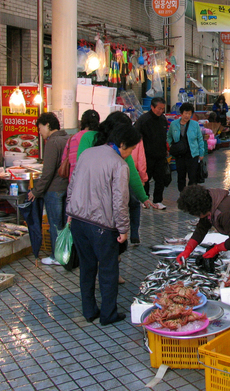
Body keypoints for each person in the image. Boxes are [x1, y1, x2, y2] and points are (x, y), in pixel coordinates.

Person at [67, 124, 140, 326]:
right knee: (108, 271)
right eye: (131, 149)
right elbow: (120, 201)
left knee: (87, 268)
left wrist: (69, 213)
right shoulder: (119, 165)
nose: (130, 153)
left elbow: (72, 184)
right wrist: (124, 229)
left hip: (79, 221)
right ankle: (108, 314)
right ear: (122, 144)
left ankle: (89, 310)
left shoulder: (87, 154)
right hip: (102, 226)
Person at [79, 111, 155, 245]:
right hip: (92, 203)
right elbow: (79, 171)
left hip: (94, 207)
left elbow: (131, 171)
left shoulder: (121, 145)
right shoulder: (91, 138)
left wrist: (143, 197)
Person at [28, 113, 70, 266]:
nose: (40, 132)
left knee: (55, 224)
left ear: (47, 125)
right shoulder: (67, 138)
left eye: (40, 128)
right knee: (66, 224)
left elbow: (47, 173)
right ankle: (67, 254)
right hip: (67, 186)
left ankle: (56, 256)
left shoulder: (53, 142)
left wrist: (36, 191)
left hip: (54, 190)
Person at [134, 97, 169, 209]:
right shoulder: (143, 120)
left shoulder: (163, 119)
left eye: (162, 109)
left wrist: (166, 150)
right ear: (152, 107)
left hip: (160, 155)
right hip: (146, 155)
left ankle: (158, 200)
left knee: (160, 179)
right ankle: (145, 199)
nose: (160, 111)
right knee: (145, 178)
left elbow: (164, 137)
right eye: (158, 108)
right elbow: (136, 136)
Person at [167, 103, 206, 192]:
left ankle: (192, 196)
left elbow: (200, 139)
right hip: (179, 155)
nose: (187, 115)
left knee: (193, 177)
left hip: (192, 154)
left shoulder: (195, 124)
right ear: (181, 113)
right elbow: (169, 136)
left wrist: (201, 153)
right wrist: (171, 145)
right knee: (181, 177)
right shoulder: (174, 124)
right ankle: (182, 195)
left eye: (189, 113)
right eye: (185, 113)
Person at [61, 109, 100, 179]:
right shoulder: (100, 139)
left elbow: (64, 160)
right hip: (93, 181)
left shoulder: (72, 139)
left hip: (74, 181)